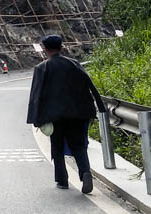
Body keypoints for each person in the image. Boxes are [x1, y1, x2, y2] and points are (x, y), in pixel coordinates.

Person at [26, 34, 106, 193]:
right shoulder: (75, 64)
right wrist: (99, 106)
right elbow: (89, 85)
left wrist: (36, 118)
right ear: (61, 47)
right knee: (78, 146)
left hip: (54, 116)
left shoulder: (42, 68)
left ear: (45, 49)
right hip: (77, 113)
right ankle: (85, 172)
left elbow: (36, 95)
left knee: (57, 146)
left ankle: (62, 180)